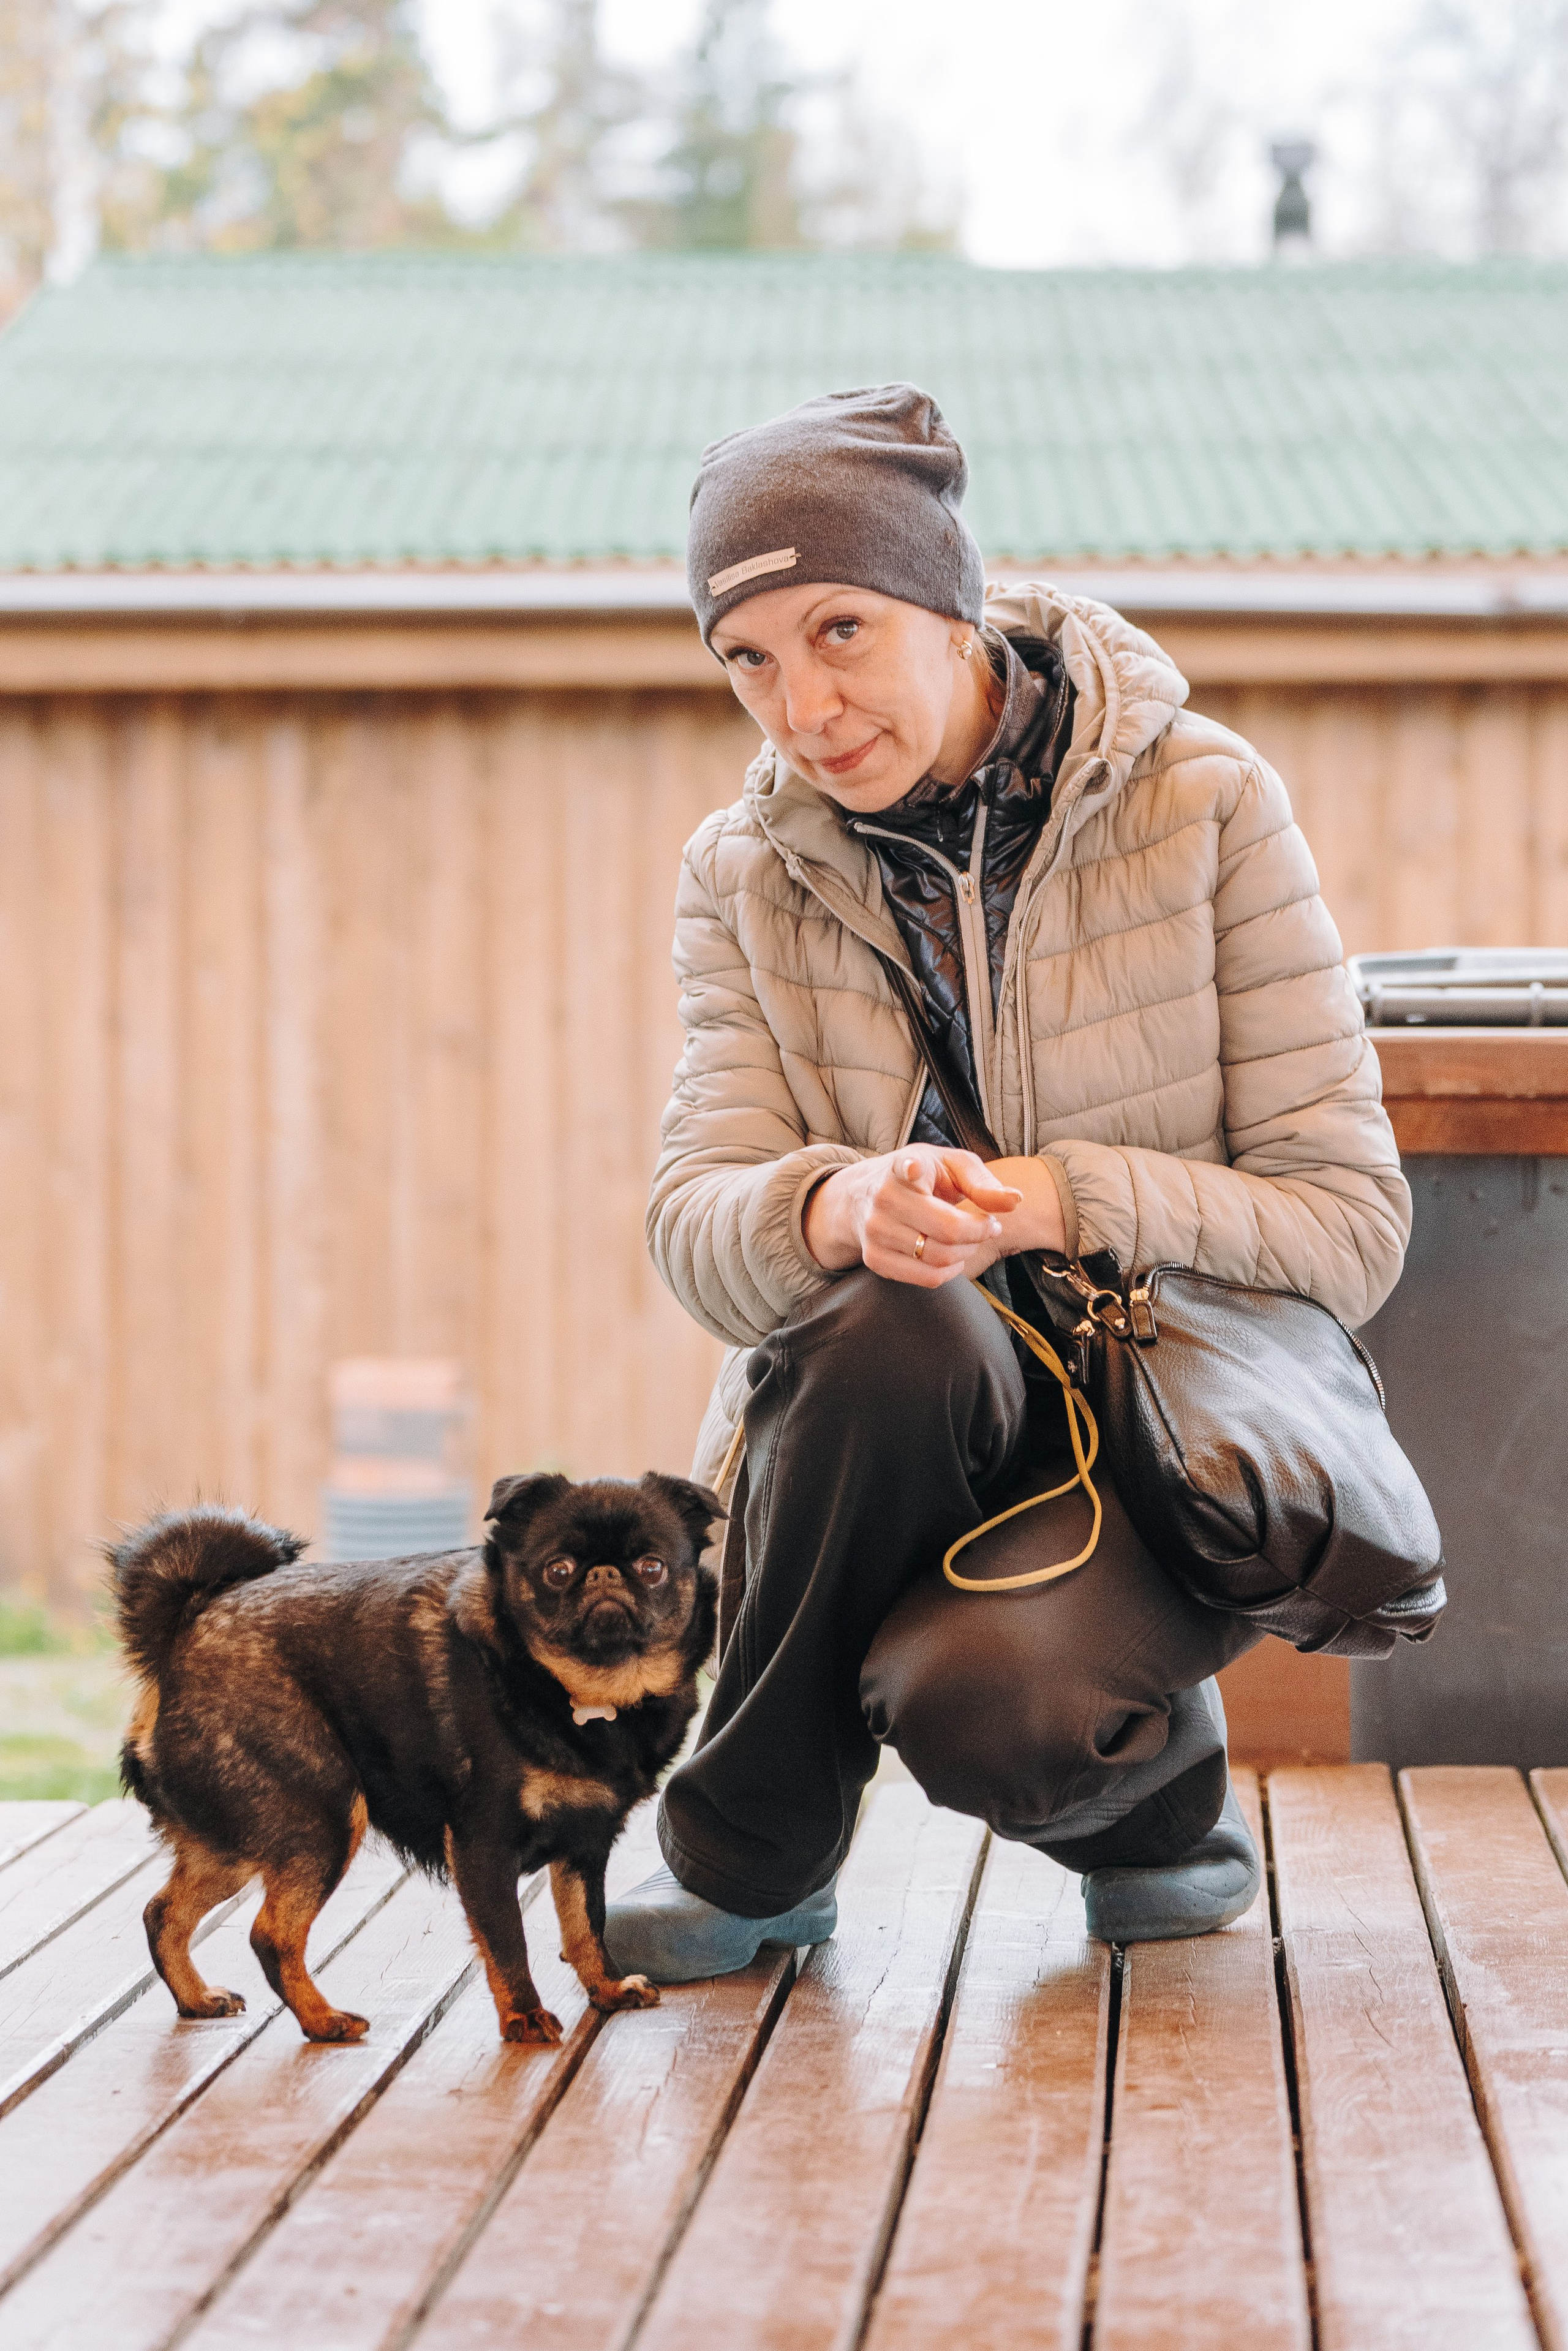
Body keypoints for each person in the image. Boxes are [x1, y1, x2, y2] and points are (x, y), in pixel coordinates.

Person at [603, 384, 1410, 1980]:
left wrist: (1055, 1199)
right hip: (882, 1425)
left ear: (951, 603)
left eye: (840, 630)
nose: (802, 705)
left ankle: (1158, 1815)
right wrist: (830, 1208)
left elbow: (1351, 1227)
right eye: (747, 659)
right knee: (884, 1314)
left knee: (984, 1707)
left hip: (1165, 1440)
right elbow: (694, 1222)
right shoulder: (742, 874)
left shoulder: (1206, 805)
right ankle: (747, 1859)